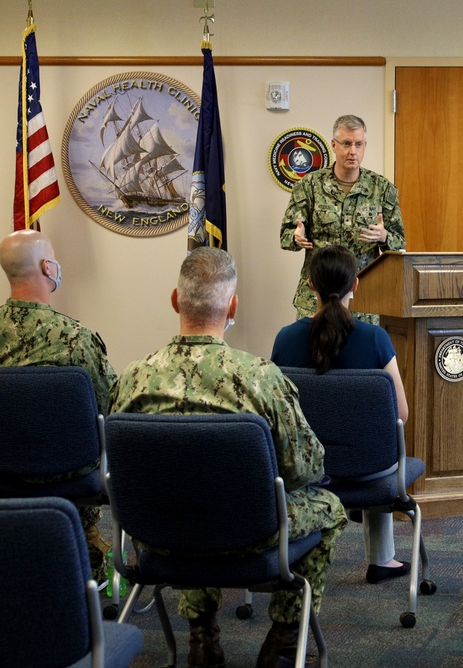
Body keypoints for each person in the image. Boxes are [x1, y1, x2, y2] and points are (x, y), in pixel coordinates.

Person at [109, 248, 347, 668]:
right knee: (329, 506)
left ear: (174, 300)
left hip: (157, 532)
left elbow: (117, 467)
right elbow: (306, 468)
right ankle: (283, 640)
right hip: (248, 531)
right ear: (232, 305)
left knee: (187, 493)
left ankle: (202, 636)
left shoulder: (133, 377)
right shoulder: (260, 378)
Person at [271, 243, 410, 583]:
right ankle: (382, 559)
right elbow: (400, 415)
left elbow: (276, 413)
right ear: (356, 285)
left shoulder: (286, 339)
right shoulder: (376, 338)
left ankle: (295, 553)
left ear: (310, 285)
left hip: (303, 469)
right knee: (378, 444)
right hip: (369, 470)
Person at [0, 229, 116, 583]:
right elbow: (109, 408)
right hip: (72, 476)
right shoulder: (76, 340)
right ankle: (86, 558)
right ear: (48, 267)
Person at [279, 114, 405, 321]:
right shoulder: (309, 186)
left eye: (359, 144)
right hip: (317, 296)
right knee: (313, 352)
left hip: (364, 297)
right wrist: (296, 237)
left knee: (361, 353)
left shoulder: (382, 189)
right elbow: (285, 236)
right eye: (346, 144)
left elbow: (400, 244)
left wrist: (384, 237)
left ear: (365, 146)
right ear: (334, 145)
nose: (353, 151)